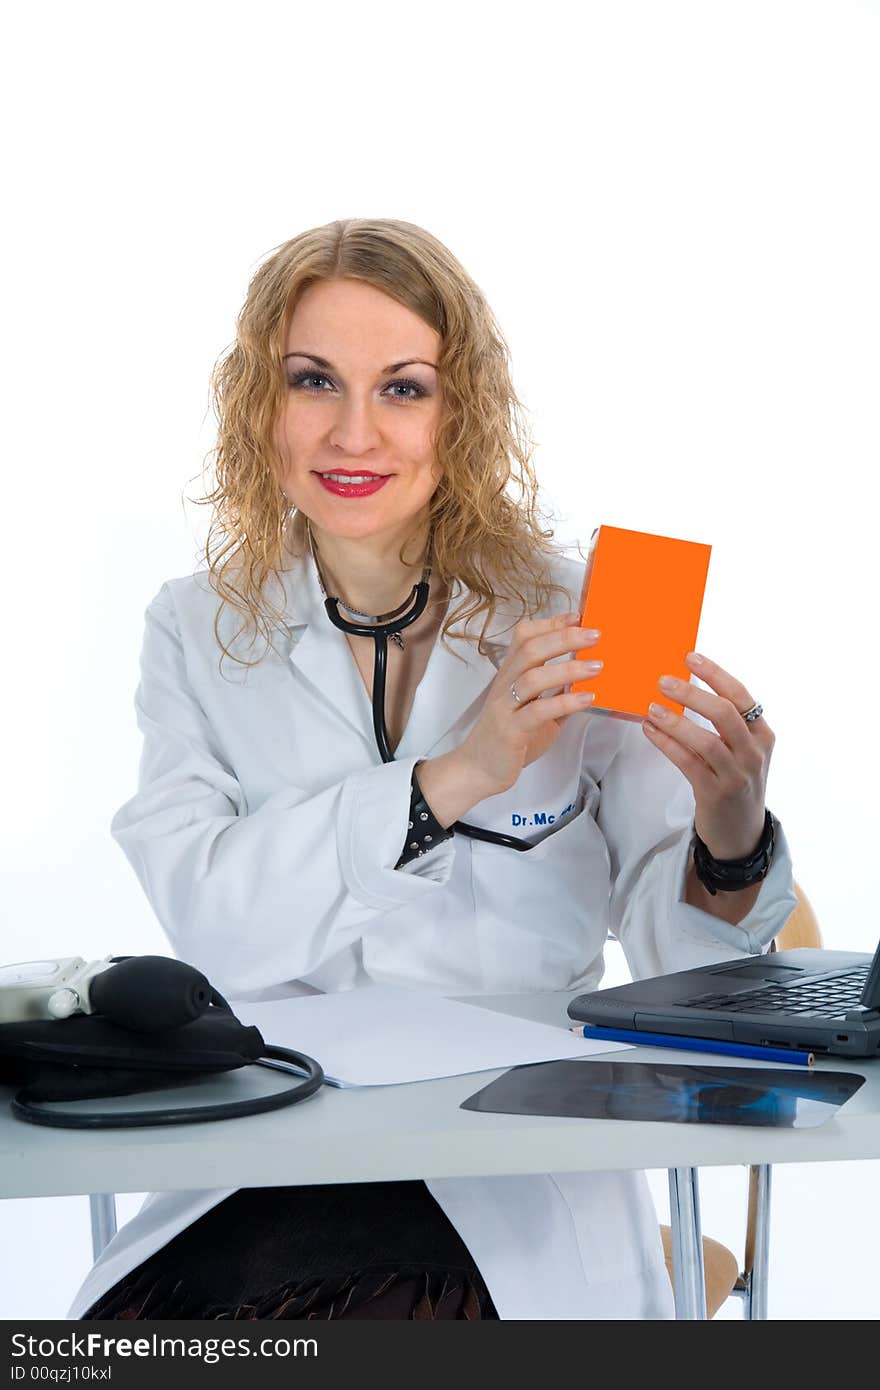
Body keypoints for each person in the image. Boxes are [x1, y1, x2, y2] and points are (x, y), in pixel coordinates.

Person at [67, 218, 797, 1321]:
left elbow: (678, 971)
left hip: (517, 1144)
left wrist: (729, 831)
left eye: (403, 388)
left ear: (463, 413)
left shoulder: (597, 601)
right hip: (275, 1139)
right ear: (259, 405)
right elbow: (216, 923)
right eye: (313, 379)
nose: (353, 431)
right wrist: (455, 774)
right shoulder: (193, 626)